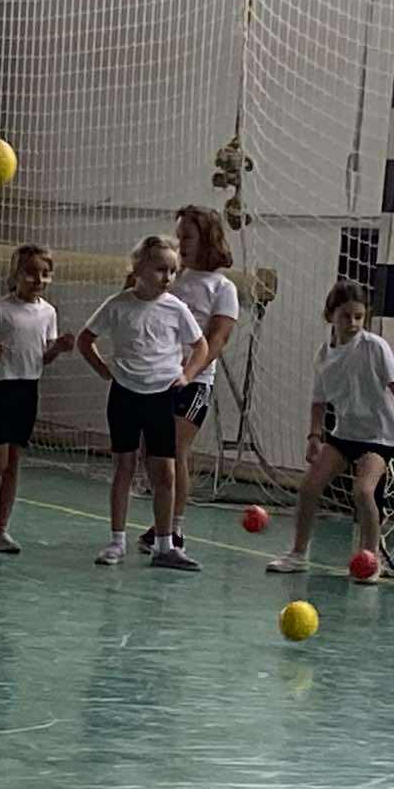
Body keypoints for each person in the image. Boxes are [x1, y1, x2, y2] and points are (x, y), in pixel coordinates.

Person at [266, 278, 394, 581]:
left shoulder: (375, 347)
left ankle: (371, 559)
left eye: (358, 317)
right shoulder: (324, 354)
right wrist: (314, 436)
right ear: (331, 316)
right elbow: (319, 401)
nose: (352, 323)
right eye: (345, 316)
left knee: (363, 491)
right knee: (309, 486)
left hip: (379, 437)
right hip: (344, 434)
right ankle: (297, 553)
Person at [75, 234, 208, 572]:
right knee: (124, 466)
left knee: (164, 471)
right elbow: (85, 339)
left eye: (173, 271)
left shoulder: (175, 308)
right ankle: (117, 540)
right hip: (125, 394)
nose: (168, 277)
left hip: (162, 396)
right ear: (139, 268)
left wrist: (187, 375)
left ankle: (165, 544)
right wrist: (103, 369)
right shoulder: (118, 305)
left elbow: (201, 346)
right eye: (161, 269)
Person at [137, 205, 239, 557]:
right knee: (151, 451)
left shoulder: (222, 287)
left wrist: (188, 373)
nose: (181, 243)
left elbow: (217, 338)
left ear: (207, 239)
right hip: (157, 376)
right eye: (178, 236)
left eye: (189, 237)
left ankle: (174, 528)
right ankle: (161, 523)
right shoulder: (171, 277)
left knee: (174, 448)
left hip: (193, 382)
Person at [0, 244, 72, 553]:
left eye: (45, 274)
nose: (38, 280)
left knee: (13, 464)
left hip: (27, 389)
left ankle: (0, 530)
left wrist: (59, 348)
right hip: (0, 388)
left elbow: (43, 356)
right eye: (31, 273)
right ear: (16, 275)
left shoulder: (48, 312)